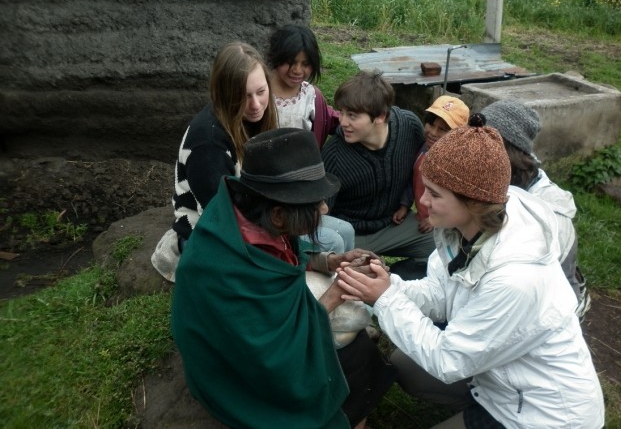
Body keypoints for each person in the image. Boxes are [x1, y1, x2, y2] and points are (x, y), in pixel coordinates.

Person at [336, 124, 605, 428]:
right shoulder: (465, 231)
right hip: (500, 383)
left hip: (542, 414)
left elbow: (448, 361)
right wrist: (386, 285)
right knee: (406, 367)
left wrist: (385, 300)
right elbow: (439, 295)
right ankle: (478, 399)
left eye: (435, 194)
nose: (422, 201)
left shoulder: (515, 279)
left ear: (473, 202)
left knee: (428, 364)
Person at [171, 128, 395, 429]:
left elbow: (287, 248)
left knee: (357, 352)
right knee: (346, 361)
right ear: (278, 215)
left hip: (262, 343)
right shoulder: (220, 267)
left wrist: (329, 261)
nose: (325, 209)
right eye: (316, 205)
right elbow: (269, 351)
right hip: (237, 377)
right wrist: (336, 293)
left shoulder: (254, 210)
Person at [151, 42, 277, 282]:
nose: (256, 104)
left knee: (334, 233)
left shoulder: (249, 120)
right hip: (207, 235)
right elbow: (221, 216)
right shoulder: (207, 142)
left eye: (261, 92)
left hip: (252, 218)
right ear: (225, 93)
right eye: (244, 96)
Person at [478, 98, 590, 319]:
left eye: (483, 142)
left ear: (507, 151)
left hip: (539, 313)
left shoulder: (550, 214)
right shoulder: (495, 180)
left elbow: (547, 287)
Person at [321, 71, 434, 277]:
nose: (343, 122)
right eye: (342, 112)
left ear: (380, 116)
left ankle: (398, 277)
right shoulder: (334, 155)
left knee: (438, 241)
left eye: (352, 115)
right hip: (350, 235)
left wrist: (404, 201)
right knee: (350, 275)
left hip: (393, 224)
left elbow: (419, 170)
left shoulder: (409, 126)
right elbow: (321, 213)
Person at [268, 23, 354, 254]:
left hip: (302, 191)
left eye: (305, 64)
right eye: (291, 62)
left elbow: (331, 120)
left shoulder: (310, 96)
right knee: (332, 242)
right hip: (270, 193)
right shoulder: (261, 95)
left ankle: (344, 284)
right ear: (276, 57)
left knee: (346, 231)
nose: (298, 70)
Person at [412, 96, 469, 234]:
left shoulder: (457, 165)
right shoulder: (423, 148)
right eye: (431, 124)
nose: (432, 132)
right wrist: (404, 204)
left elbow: (458, 205)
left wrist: (435, 221)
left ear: (459, 134)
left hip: (444, 226)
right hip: (422, 218)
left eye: (442, 129)